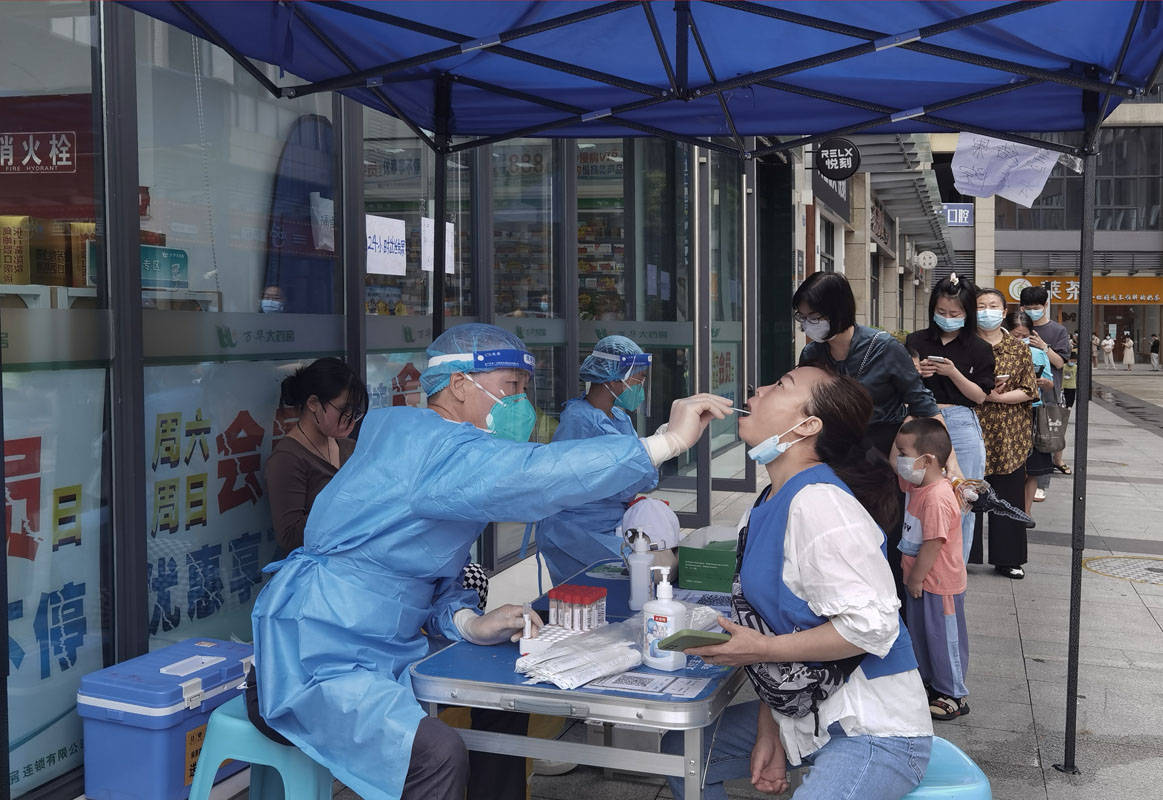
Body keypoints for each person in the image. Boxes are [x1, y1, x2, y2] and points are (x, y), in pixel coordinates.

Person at [251, 323, 733, 800]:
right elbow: (534, 475)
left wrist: (468, 622)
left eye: (524, 389)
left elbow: (432, 575)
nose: (520, 403)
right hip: (311, 656)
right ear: (459, 384)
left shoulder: (436, 448)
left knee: (504, 700)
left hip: (380, 647)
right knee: (436, 755)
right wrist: (666, 443)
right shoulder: (427, 447)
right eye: (511, 387)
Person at [661, 367, 933, 800]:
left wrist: (762, 650)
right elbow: (774, 625)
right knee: (682, 751)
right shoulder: (764, 505)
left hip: (874, 727)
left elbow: (873, 627)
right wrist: (770, 730)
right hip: (804, 714)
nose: (759, 390)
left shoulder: (821, 504)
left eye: (781, 385)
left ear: (807, 426)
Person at [794, 272, 943, 601]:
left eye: (814, 317)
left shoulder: (884, 348)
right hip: (833, 455)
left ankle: (887, 609)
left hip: (881, 457)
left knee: (881, 538)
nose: (807, 325)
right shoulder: (812, 355)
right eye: (802, 317)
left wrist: (949, 467)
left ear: (838, 311)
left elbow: (924, 405)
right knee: (836, 535)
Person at [536, 335, 656, 584]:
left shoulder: (619, 418)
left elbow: (640, 476)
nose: (641, 387)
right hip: (573, 531)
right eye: (639, 379)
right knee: (590, 598)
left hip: (609, 523)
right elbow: (621, 480)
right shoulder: (579, 421)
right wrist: (653, 454)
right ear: (614, 378)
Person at [906, 273, 994, 564]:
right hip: (922, 421)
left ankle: (954, 572)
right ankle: (916, 569)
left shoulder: (979, 348)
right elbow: (903, 385)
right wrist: (916, 373)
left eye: (954, 314)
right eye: (941, 311)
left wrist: (953, 372)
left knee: (962, 501)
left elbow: (980, 396)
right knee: (917, 499)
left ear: (967, 314)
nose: (947, 318)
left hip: (961, 421)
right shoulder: (917, 340)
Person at [892, 418, 970, 720]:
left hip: (937, 584)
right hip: (922, 581)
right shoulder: (917, 484)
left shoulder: (937, 497)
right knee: (924, 635)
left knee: (944, 639)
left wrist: (915, 578)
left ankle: (953, 693)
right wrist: (906, 420)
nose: (900, 458)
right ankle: (932, 683)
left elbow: (933, 544)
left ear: (926, 460)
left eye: (904, 453)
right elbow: (893, 463)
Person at [265, 358, 368, 556]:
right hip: (312, 569)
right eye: (344, 410)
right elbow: (289, 537)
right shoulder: (287, 459)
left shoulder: (349, 447)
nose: (351, 420)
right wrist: (348, 502)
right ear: (313, 403)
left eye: (355, 413)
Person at [973, 293, 1037, 578]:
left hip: (1010, 432)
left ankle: (1009, 558)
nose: (986, 311)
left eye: (992, 306)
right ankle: (966, 553)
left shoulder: (1017, 348)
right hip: (972, 427)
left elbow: (1029, 389)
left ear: (1003, 311)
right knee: (968, 490)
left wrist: (996, 398)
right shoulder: (965, 344)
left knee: (1009, 494)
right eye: (980, 306)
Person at [1019, 285, 1072, 485]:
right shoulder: (1017, 327)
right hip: (1019, 395)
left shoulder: (1057, 331)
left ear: (1045, 305)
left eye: (1037, 307)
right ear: (1021, 307)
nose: (1033, 311)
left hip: (1048, 395)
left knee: (1045, 440)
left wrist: (1043, 347)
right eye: (1028, 308)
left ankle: (1041, 484)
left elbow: (1060, 363)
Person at [1006, 313, 1055, 509]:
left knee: (1033, 467)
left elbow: (1050, 384)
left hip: (1033, 412)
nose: (1020, 340)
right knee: (1012, 466)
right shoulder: (999, 352)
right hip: (1009, 412)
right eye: (1016, 335)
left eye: (1024, 336)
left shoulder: (1038, 353)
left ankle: (1026, 512)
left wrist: (1043, 382)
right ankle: (1012, 509)